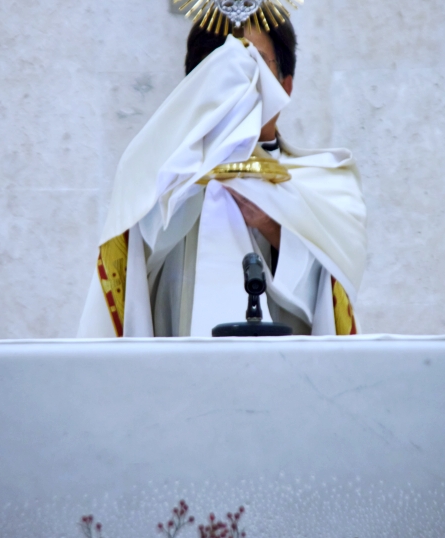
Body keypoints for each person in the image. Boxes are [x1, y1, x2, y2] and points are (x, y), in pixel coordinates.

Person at [78, 18, 367, 338]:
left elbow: (331, 296)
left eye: (252, 62)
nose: (234, 81)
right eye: (217, 68)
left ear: (285, 87)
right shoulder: (158, 178)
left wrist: (277, 228)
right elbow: (133, 275)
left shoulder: (325, 183)